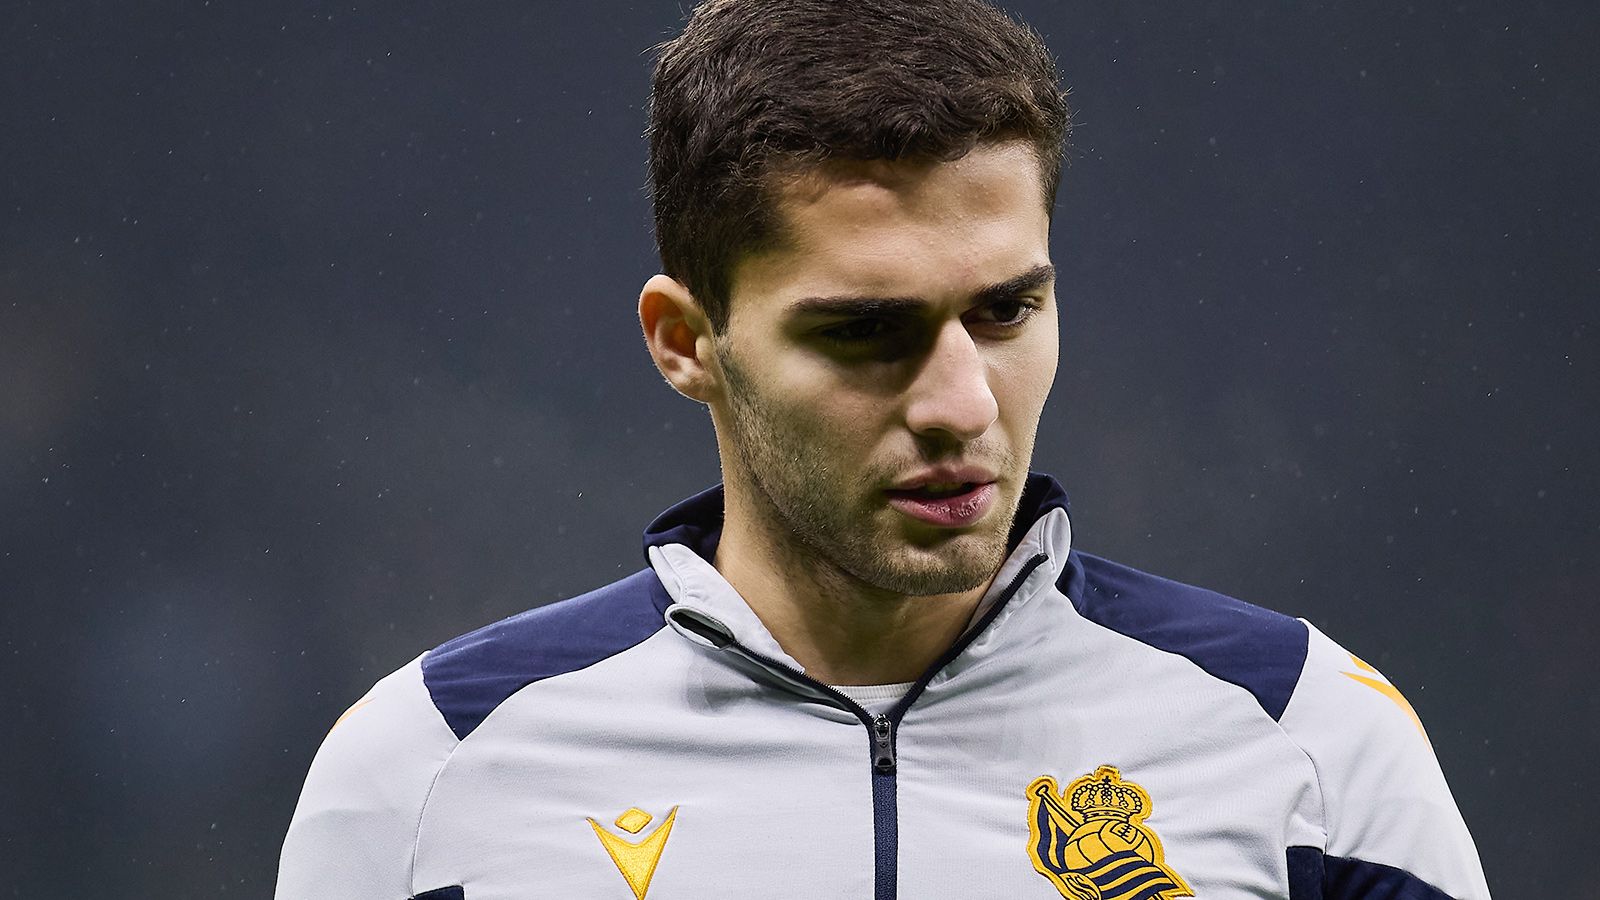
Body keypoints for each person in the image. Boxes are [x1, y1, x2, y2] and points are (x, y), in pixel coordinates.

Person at [277, 1, 1491, 898]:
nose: (961, 404)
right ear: (687, 342)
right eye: (866, 330)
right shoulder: (430, 768)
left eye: (1005, 311)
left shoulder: (1305, 736)